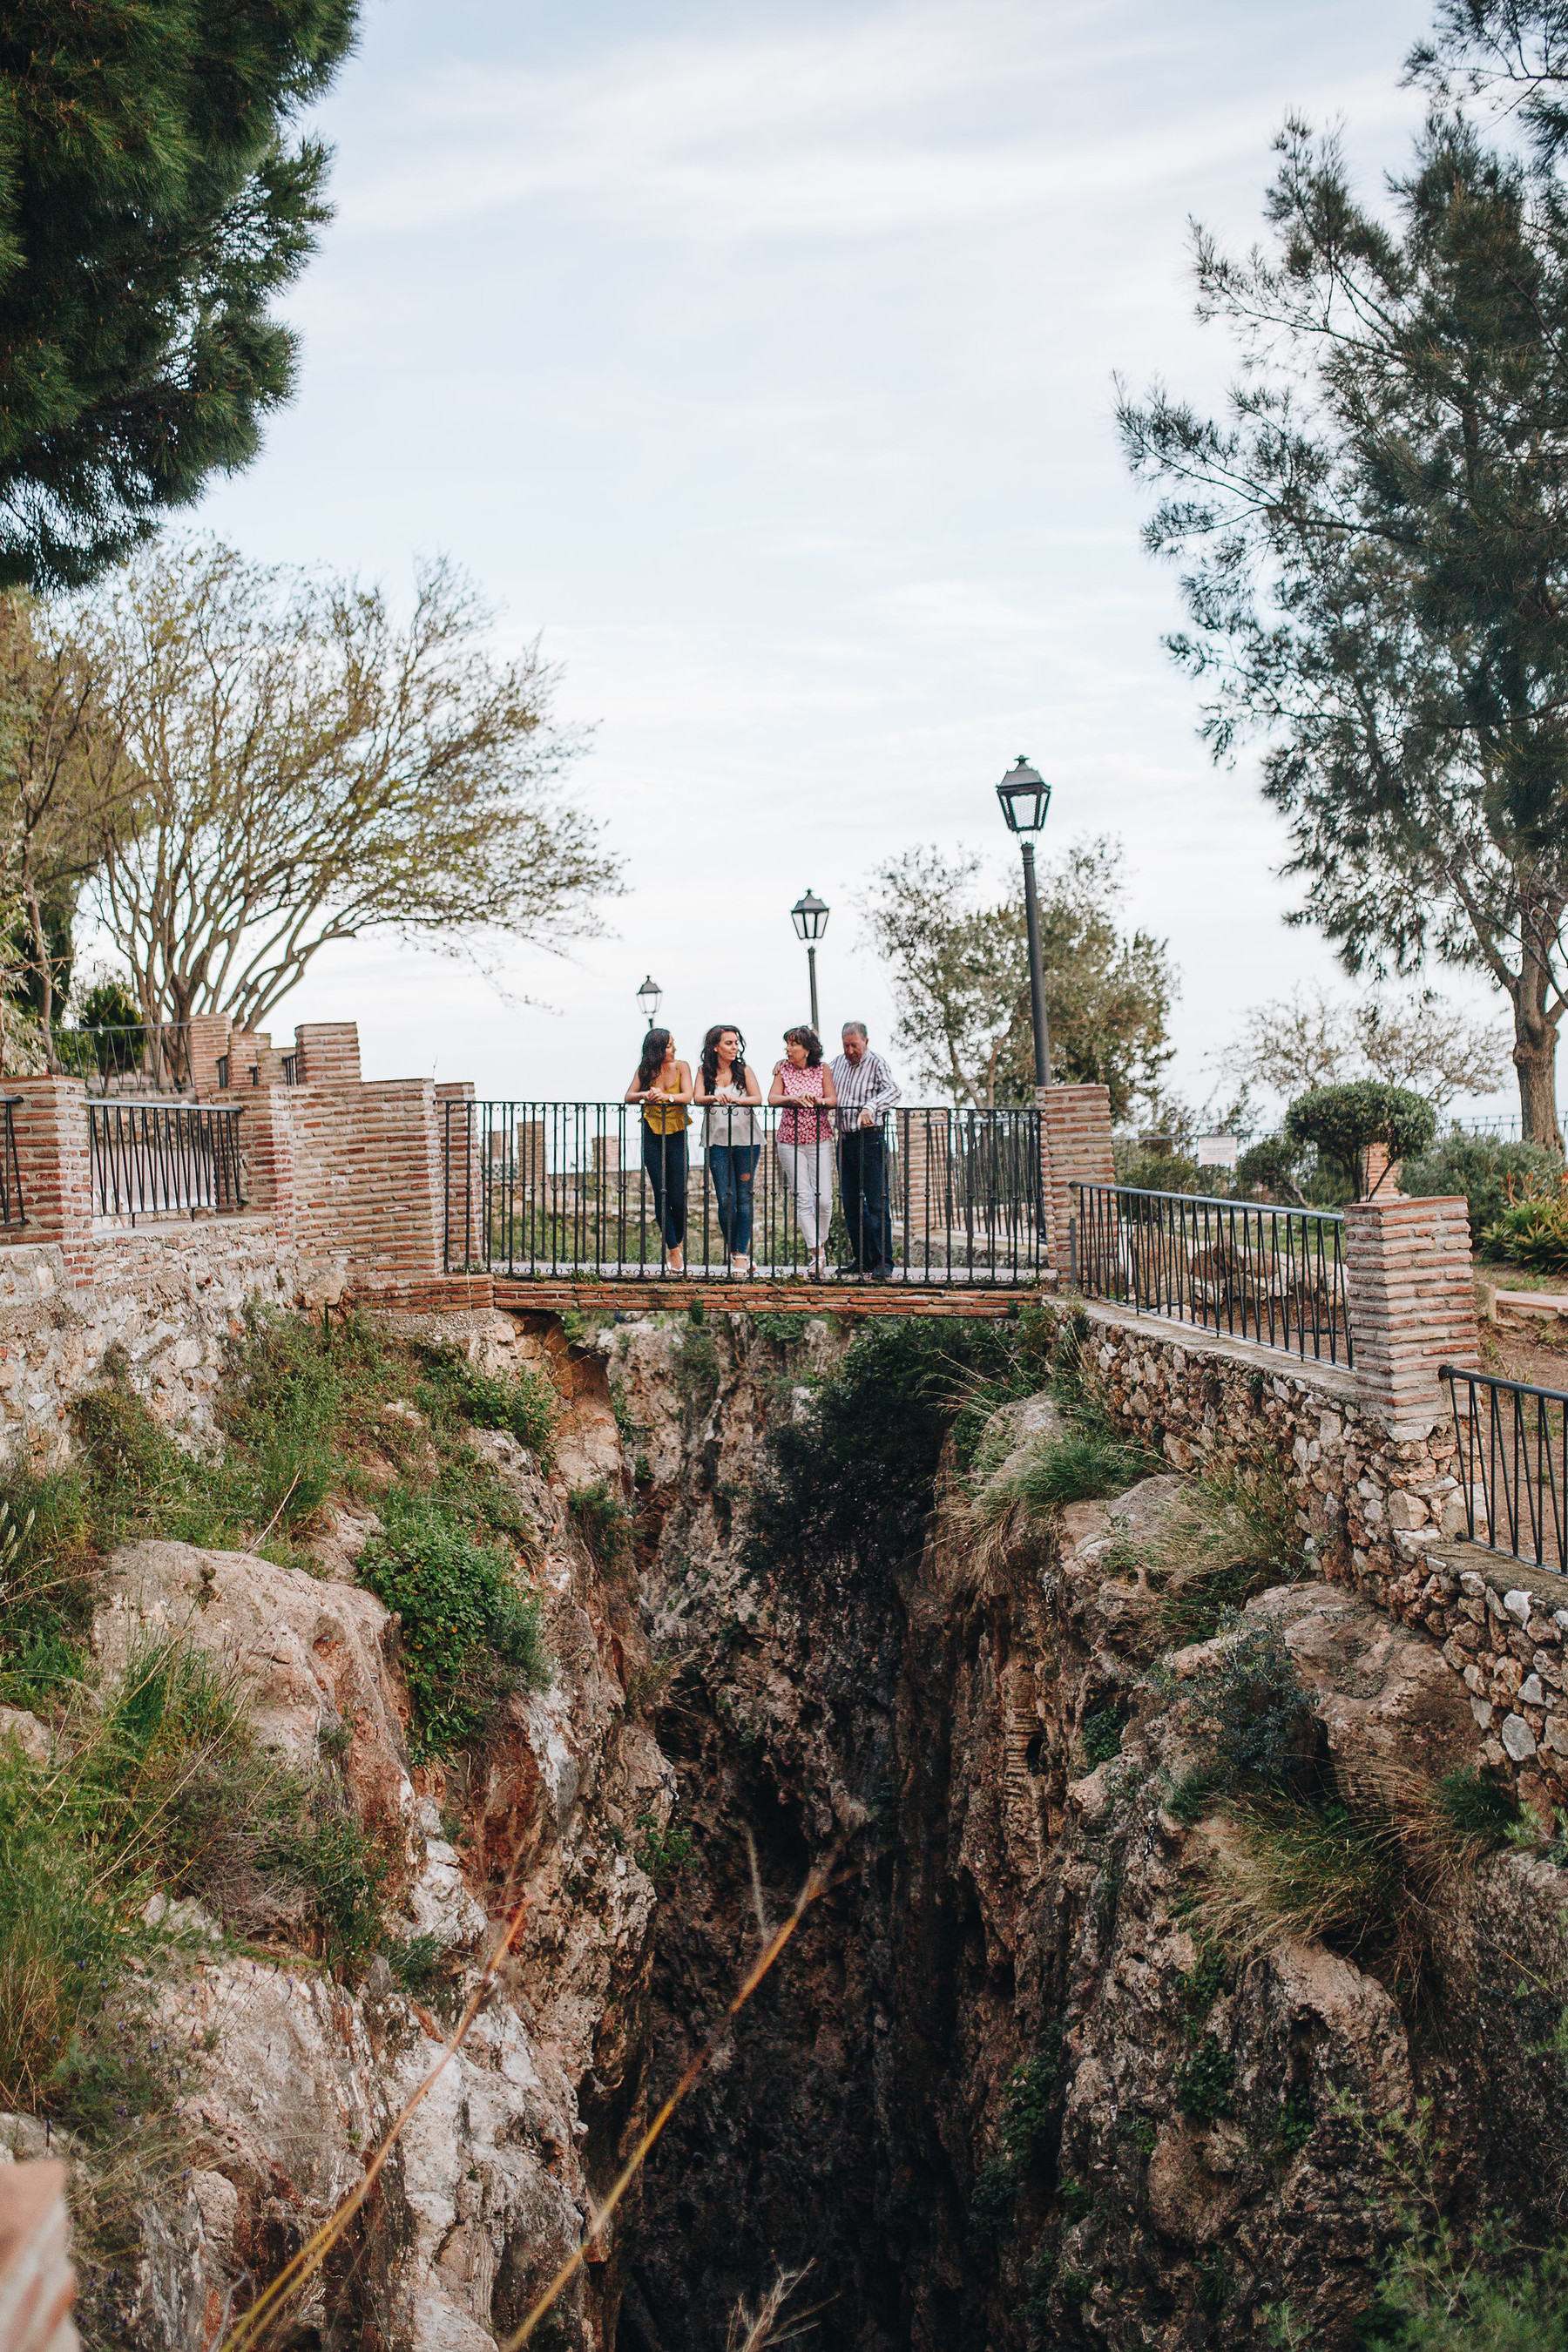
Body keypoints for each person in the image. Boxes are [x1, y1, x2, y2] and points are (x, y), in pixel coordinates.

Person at [831, 1021, 900, 1277]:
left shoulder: (876, 1063)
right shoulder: (836, 1063)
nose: (850, 1051)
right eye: (846, 1045)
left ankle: (884, 1262)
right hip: (845, 1140)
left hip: (869, 1139)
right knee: (851, 1203)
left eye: (854, 1045)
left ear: (866, 1042)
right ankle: (863, 1259)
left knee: (877, 1202)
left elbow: (894, 1090)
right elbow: (818, 1077)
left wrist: (871, 1107)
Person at [767, 1025, 837, 1277]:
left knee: (824, 1199)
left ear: (807, 1049)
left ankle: (821, 1241)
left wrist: (818, 1101)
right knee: (803, 1197)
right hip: (789, 1141)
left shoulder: (822, 1069)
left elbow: (832, 1100)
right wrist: (793, 1099)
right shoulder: (782, 1069)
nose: (788, 1048)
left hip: (820, 1140)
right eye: (787, 1043)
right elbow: (772, 1099)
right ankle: (817, 1253)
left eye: (793, 1044)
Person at [693, 1023, 761, 1274]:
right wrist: (714, 1098)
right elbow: (697, 1098)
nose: (734, 1048)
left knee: (744, 1198)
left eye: (736, 1043)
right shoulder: (704, 1072)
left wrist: (737, 1100)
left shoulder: (745, 1071)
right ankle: (737, 1252)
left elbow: (757, 1098)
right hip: (717, 1142)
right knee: (725, 1200)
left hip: (747, 1142)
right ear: (715, 1047)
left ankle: (740, 1258)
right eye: (728, 1043)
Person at [625, 1027, 693, 1271]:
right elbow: (629, 1096)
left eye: (673, 1045)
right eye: (668, 1046)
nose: (673, 1050)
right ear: (657, 1049)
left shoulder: (682, 1066)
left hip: (677, 1133)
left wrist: (667, 1097)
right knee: (661, 1193)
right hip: (651, 1134)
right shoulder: (645, 1070)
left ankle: (678, 1244)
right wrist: (647, 1095)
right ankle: (674, 1252)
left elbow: (688, 1095)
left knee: (678, 1196)